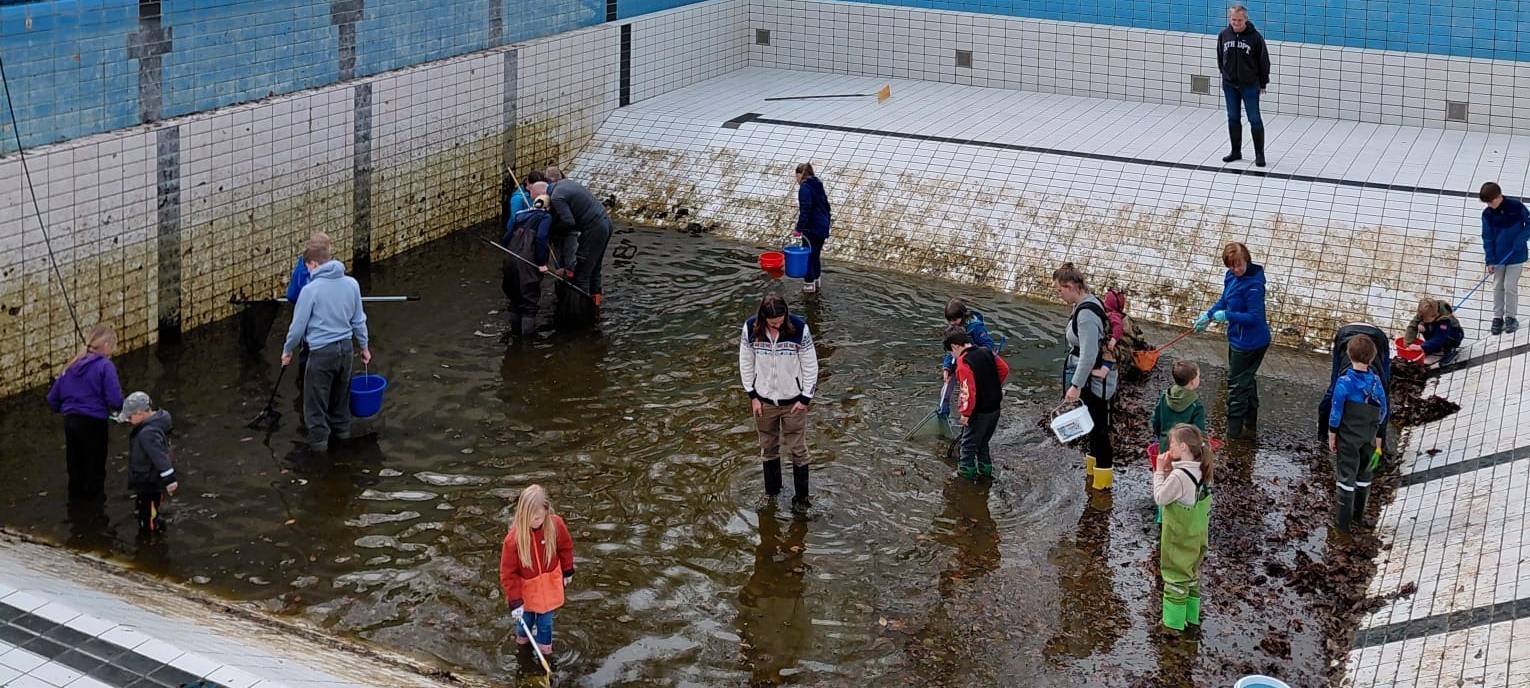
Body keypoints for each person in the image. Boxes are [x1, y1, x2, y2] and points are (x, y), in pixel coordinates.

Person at [281, 243, 371, 452]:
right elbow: (359, 320)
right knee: (340, 404)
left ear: (313, 264)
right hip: (346, 351)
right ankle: (343, 447)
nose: (308, 271)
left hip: (321, 353)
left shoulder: (310, 290)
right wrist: (364, 347)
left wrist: (287, 350)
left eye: (308, 267)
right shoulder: (352, 284)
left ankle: (319, 458)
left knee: (315, 408)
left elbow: (297, 328)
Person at [738, 293, 820, 508]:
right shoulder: (750, 328)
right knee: (768, 447)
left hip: (793, 402)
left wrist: (805, 398)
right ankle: (771, 493)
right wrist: (752, 395)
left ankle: (801, 499)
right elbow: (746, 363)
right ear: (763, 318)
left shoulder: (799, 328)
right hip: (764, 402)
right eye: (772, 323)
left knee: (798, 450)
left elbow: (810, 365)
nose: (776, 326)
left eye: (780, 321)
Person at [1194, 242, 1270, 439]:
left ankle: (1233, 434)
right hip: (1238, 338)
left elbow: (1254, 318)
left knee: (1236, 386)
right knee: (1246, 379)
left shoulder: (1254, 286)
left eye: (1239, 265)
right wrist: (1209, 315)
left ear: (1247, 260)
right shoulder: (1231, 276)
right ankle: (1250, 423)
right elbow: (1225, 299)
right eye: (1231, 266)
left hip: (1250, 343)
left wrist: (1227, 315)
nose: (1236, 270)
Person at [1055, 262, 1117, 490]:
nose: (1059, 295)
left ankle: (1102, 486)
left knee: (1099, 429)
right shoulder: (1085, 303)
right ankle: (1092, 476)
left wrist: (1075, 385)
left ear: (1071, 286)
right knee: (1092, 426)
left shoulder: (1086, 315)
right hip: (1092, 377)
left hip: (1094, 380)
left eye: (1059, 290)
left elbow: (1089, 354)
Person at [46, 325, 124, 502]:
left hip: (71, 421)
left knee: (76, 468)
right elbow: (115, 400)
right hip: (94, 422)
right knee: (95, 469)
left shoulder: (71, 365)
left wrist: (68, 409)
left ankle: (75, 508)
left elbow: (52, 399)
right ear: (105, 345)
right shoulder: (105, 366)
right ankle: (95, 515)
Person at [499, 485, 575, 660]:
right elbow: (507, 573)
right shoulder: (513, 540)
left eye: (539, 518)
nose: (535, 522)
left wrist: (567, 570)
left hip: (549, 587)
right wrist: (515, 601)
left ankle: (545, 655)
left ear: (546, 512)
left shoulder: (556, 525)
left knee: (545, 624)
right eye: (531, 519)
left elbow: (566, 548)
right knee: (524, 622)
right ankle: (522, 646)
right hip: (526, 592)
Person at [1154, 424, 1214, 633]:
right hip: (1197, 535)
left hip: (1179, 537)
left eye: (1171, 443)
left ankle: (1172, 626)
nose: (1169, 447)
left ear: (1183, 447)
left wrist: (1159, 471)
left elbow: (1161, 497)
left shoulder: (1179, 477)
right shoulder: (1202, 469)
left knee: (1175, 579)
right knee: (1192, 575)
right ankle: (1191, 618)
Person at [1328, 336, 1388, 532]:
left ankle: (1342, 525)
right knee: (1365, 474)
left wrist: (1332, 434)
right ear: (1372, 358)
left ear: (1348, 354)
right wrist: (1375, 430)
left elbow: (1336, 411)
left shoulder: (1344, 382)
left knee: (1346, 476)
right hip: (1368, 436)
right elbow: (1384, 410)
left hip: (1348, 437)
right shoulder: (1376, 381)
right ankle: (1358, 517)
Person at [946, 328, 1009, 480]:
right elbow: (1004, 369)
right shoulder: (986, 351)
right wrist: (992, 386)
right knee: (983, 442)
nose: (952, 356)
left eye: (950, 353)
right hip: (994, 408)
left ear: (955, 347)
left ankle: (965, 479)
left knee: (967, 447)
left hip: (978, 412)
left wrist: (965, 414)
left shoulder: (963, 363)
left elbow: (968, 391)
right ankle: (986, 473)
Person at [547, 175, 613, 318]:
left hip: (594, 229)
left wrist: (552, 229)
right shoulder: (566, 184)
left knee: (581, 274)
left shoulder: (556, 197)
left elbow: (569, 222)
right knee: (595, 269)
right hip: (606, 223)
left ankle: (579, 315)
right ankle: (595, 308)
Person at [1317, 323, 1390, 445]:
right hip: (1349, 335)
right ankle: (1323, 435)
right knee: (1385, 393)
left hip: (1374, 336)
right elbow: (1383, 406)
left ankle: (1323, 435)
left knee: (1333, 390)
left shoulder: (1372, 379)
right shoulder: (1376, 382)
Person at [1217, 3, 1271, 167]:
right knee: (1232, 117)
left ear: (1245, 20)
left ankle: (1259, 155)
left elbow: (1264, 61)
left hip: (1250, 85)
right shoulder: (1224, 35)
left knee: (1254, 119)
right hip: (1230, 85)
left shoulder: (1255, 38)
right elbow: (1220, 57)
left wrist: (1263, 82)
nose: (1236, 23)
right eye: (1233, 20)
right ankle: (1235, 151)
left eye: (1239, 20)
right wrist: (1225, 75)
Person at [121, 391, 178, 534]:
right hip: (147, 477)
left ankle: (149, 534)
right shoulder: (153, 424)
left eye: (129, 417)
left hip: (149, 480)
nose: (128, 420)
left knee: (148, 512)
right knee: (146, 505)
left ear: (140, 413)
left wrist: (169, 479)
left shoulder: (148, 433)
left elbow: (159, 456)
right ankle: (151, 520)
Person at [1478, 182, 1530, 335]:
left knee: (1510, 286)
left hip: (1516, 255)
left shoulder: (1516, 207)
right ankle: (1497, 317)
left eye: (1491, 201)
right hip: (1498, 257)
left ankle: (1511, 317)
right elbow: (1487, 238)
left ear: (1499, 196)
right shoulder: (1487, 214)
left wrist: (1520, 240)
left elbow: (1529, 224)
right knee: (1497, 286)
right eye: (1486, 202)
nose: (1489, 205)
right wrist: (1490, 259)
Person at [502, 183, 553, 337]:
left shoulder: (520, 215)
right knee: (529, 302)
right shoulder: (545, 217)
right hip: (526, 262)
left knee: (515, 300)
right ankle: (527, 343)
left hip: (510, 259)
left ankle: (515, 335)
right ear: (548, 207)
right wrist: (542, 263)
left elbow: (507, 237)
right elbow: (541, 238)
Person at [284, 233, 332, 387]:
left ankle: (304, 387)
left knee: (307, 357)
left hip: (308, 329)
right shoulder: (326, 271)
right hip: (321, 328)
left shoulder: (301, 266)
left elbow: (291, 295)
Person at [939, 299, 997, 419]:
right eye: (949, 321)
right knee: (946, 387)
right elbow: (950, 350)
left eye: (955, 320)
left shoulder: (976, 328)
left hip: (973, 364)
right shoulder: (953, 329)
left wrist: (974, 353)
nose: (952, 323)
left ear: (963, 316)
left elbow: (988, 345)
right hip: (958, 362)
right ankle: (943, 411)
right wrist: (946, 367)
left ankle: (968, 414)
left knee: (967, 391)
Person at [1150, 361, 1207, 458]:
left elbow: (1155, 420)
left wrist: (1161, 436)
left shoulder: (1165, 396)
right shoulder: (1196, 405)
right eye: (1198, 377)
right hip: (1185, 450)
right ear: (1192, 381)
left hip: (1165, 445)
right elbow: (1199, 431)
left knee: (1164, 470)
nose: (1199, 379)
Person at [793, 163, 831, 293]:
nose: (795, 179)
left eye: (796, 176)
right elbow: (827, 206)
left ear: (800, 175)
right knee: (815, 255)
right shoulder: (817, 184)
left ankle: (808, 288)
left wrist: (798, 229)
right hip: (822, 226)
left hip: (812, 228)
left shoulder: (804, 188)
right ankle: (817, 284)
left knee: (808, 256)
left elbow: (805, 211)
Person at [1103, 288, 1151, 381]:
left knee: (1105, 351)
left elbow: (1118, 328)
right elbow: (1139, 335)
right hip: (1132, 348)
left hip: (1123, 350)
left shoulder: (1113, 316)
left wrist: (1113, 340)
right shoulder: (1126, 318)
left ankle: (1104, 370)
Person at [1401, 298, 1465, 363]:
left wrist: (1422, 347)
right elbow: (1413, 325)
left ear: (1433, 316)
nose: (1422, 319)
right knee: (1423, 326)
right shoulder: (1424, 312)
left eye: (1424, 318)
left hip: (1454, 336)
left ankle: (1449, 350)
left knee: (1444, 335)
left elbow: (1439, 337)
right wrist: (1408, 344)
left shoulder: (1445, 320)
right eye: (1421, 317)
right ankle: (1435, 347)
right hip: (1437, 330)